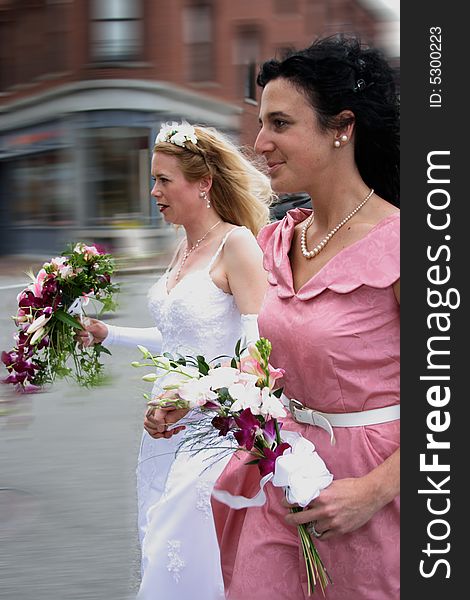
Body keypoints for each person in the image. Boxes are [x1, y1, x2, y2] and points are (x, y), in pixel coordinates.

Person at [212, 35, 400, 599]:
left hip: (373, 495)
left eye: (280, 124)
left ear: (341, 127)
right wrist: (209, 394)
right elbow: (262, 352)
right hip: (281, 473)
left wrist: (374, 489)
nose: (260, 142)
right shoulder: (273, 239)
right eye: (261, 122)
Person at [78, 121, 273, 599]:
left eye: (164, 180)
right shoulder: (184, 249)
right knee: (164, 547)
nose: (154, 191)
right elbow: (180, 336)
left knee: (184, 553)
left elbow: (260, 351)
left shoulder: (237, 244)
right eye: (153, 180)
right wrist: (108, 334)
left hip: (216, 433)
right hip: (167, 430)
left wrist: (196, 397)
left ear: (203, 183)